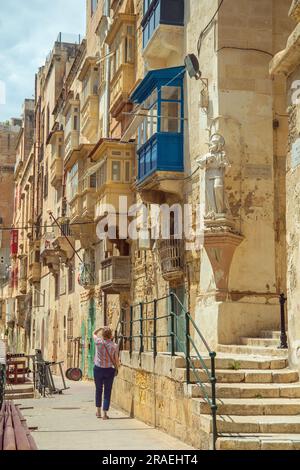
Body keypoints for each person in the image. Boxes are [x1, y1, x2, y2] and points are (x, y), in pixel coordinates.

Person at [93, 326, 120, 420]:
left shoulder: (98, 342)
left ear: (103, 334)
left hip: (98, 369)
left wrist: (100, 328)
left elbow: (94, 333)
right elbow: (116, 360)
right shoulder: (114, 346)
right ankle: (105, 413)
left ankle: (98, 411)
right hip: (109, 370)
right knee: (107, 391)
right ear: (111, 335)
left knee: (98, 390)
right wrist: (117, 368)